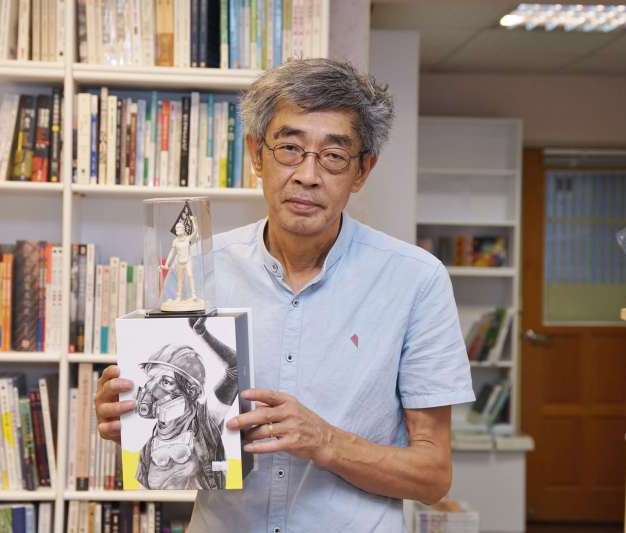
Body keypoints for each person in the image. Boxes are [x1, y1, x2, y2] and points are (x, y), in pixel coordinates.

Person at [95, 58, 475, 533]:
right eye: (290, 148)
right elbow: (189, 443)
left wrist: (326, 442)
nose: (308, 175)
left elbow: (432, 476)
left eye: (333, 156)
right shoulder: (199, 270)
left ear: (362, 171)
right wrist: (131, 419)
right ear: (257, 155)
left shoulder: (416, 280)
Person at [134, 317, 238, 490]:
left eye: (166, 382)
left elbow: (235, 368)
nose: (152, 389)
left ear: (190, 391)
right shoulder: (148, 449)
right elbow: (142, 495)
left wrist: (203, 334)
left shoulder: (205, 422)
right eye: (151, 379)